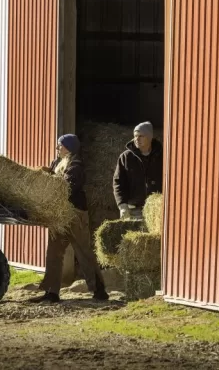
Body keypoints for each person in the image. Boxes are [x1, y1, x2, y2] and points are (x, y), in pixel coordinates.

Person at [32, 134, 108, 303]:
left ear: (69, 147)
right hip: (59, 215)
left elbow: (68, 187)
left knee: (83, 251)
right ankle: (51, 292)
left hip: (75, 213)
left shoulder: (76, 165)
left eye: (60, 145)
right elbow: (52, 177)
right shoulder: (56, 162)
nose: (57, 148)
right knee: (53, 253)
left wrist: (51, 182)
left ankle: (99, 290)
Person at [113, 121, 163, 219]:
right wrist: (122, 205)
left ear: (149, 137)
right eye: (135, 136)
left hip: (157, 210)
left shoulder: (162, 156)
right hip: (133, 210)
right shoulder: (126, 157)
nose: (137, 139)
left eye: (141, 136)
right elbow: (118, 182)